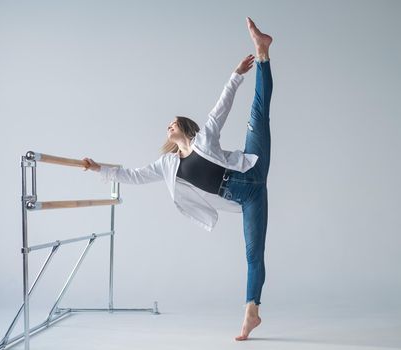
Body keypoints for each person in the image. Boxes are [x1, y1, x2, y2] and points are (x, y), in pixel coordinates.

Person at [83, 17, 273, 341]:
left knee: (258, 112)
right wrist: (98, 168)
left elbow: (220, 108)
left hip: (252, 167)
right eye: (167, 125)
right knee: (253, 254)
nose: (168, 126)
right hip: (249, 197)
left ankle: (263, 52)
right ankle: (251, 311)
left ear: (185, 127)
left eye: (173, 122)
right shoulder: (167, 165)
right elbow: (134, 175)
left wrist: (236, 75)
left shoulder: (204, 139)